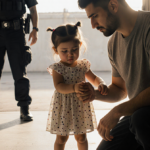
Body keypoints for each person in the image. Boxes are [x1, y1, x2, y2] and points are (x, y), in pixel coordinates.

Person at [77, 0, 150, 150]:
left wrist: (118, 111)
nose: (93, 24)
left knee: (140, 119)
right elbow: (120, 89)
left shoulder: (148, 27)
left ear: (113, 5)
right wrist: (94, 94)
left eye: (95, 16)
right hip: (138, 114)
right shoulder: (113, 44)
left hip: (142, 118)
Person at [46, 21, 109, 150]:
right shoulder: (58, 68)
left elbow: (94, 78)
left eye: (74, 49)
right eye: (64, 51)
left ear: (80, 45)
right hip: (63, 106)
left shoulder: (82, 65)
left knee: (81, 137)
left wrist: (101, 83)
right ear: (56, 50)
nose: (70, 54)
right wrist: (74, 87)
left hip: (80, 105)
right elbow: (59, 86)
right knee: (61, 138)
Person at [0, 0, 38, 121]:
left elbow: (32, 8)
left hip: (16, 33)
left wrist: (35, 29)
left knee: (20, 72)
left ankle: (24, 108)